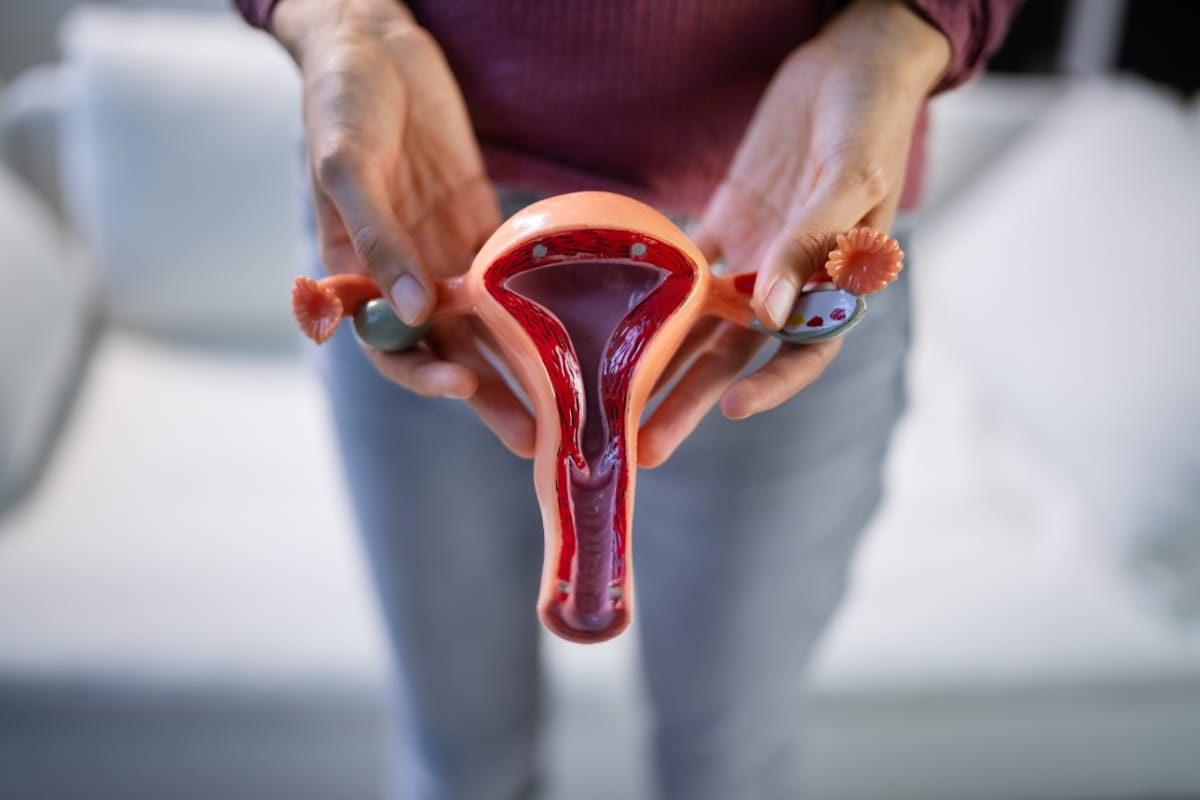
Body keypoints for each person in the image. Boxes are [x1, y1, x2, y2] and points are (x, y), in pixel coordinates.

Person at [235, 1, 1018, 797]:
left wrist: (910, 28)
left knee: (727, 761)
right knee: (460, 756)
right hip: (410, 190)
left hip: (802, 207)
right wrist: (334, 18)